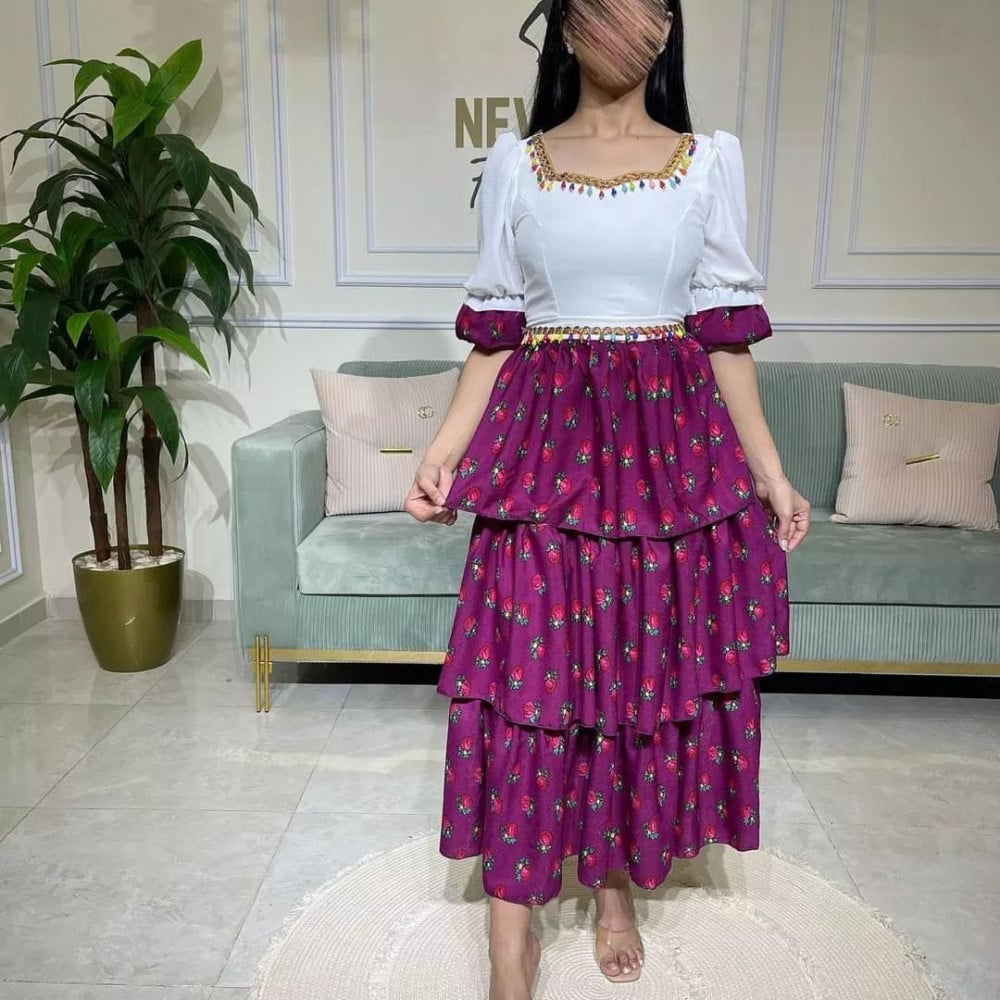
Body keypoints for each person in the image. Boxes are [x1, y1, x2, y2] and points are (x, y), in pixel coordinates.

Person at [405, 1, 811, 996]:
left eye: (650, 5)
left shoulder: (709, 163)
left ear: (668, 26)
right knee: (526, 688)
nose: (631, 20)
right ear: (566, 21)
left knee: (630, 681)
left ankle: (614, 882)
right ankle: (511, 938)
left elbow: (724, 335)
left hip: (668, 463)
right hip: (543, 458)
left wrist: (770, 472)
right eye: (607, 2)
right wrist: (442, 453)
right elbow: (496, 333)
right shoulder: (518, 163)